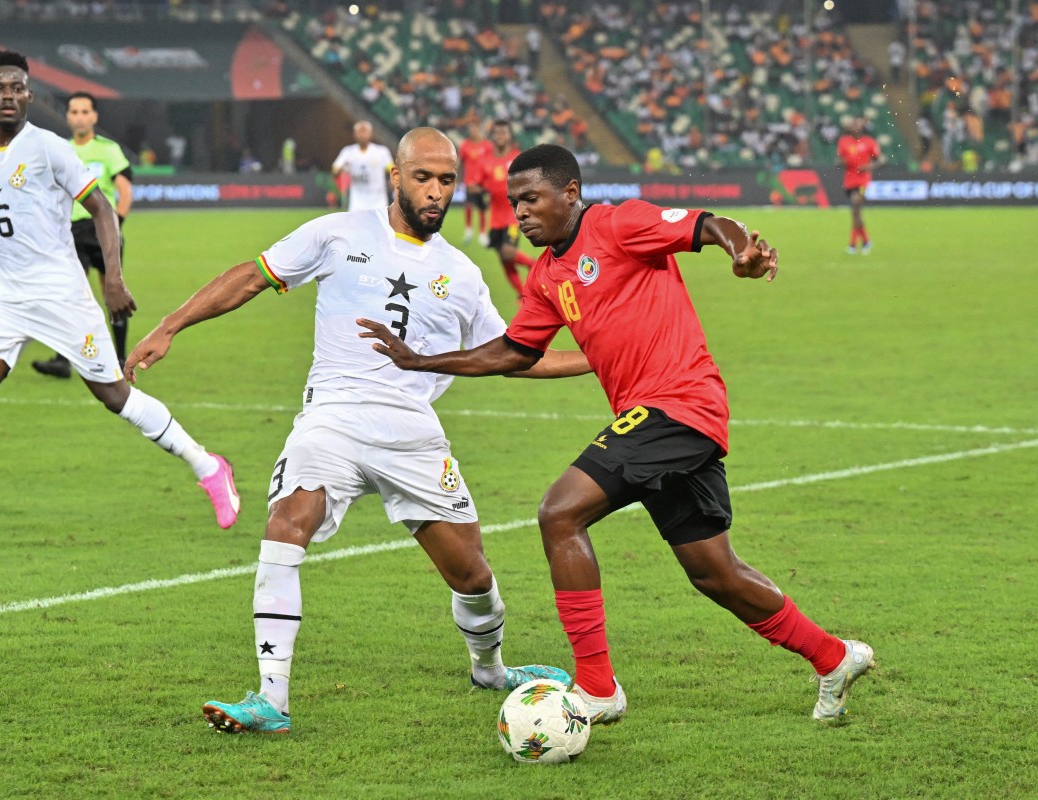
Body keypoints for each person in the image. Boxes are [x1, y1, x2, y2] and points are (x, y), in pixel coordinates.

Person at [359, 143, 875, 724]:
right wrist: (422, 361)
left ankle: (599, 688)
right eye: (514, 203)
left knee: (559, 513)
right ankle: (834, 657)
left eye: (531, 199)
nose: (520, 213)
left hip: (678, 403)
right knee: (715, 573)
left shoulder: (618, 223)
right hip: (660, 421)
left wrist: (741, 252)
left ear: (570, 193)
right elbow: (514, 351)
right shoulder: (548, 276)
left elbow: (707, 225)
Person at [124, 128, 590, 734]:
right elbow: (250, 276)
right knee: (286, 526)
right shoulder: (336, 233)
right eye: (423, 178)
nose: (435, 192)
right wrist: (170, 324)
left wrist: (598, 357)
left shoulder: (462, 273)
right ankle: (271, 699)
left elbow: (514, 353)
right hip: (332, 419)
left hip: (413, 434)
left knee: (472, 575)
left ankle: (490, 669)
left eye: (446, 181)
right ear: (395, 178)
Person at [0, 50, 240, 557]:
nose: (8, 96)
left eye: (17, 87)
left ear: (29, 96)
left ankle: (208, 466)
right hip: (6, 297)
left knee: (114, 396)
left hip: (63, 294)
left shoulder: (50, 148)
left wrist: (113, 279)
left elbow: (101, 207)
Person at [33, 91, 135, 379]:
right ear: (67, 117)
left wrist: (117, 226)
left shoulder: (109, 150)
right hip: (70, 232)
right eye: (74, 112)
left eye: (84, 111)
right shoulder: (59, 150)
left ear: (94, 117)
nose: (79, 117)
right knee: (69, 296)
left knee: (113, 292)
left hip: (102, 230)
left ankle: (120, 357)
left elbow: (125, 190)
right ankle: (63, 360)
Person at [480, 119, 536, 298]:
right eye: (497, 132)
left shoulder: (517, 158)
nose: (501, 136)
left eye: (504, 132)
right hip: (495, 217)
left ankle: (533, 264)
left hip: (513, 214)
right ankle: (522, 294)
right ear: (492, 136)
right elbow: (481, 185)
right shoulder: (486, 161)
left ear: (510, 136)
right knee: (504, 258)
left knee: (508, 252)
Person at [836, 117, 883, 255]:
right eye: (853, 124)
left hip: (862, 181)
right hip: (849, 181)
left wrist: (869, 166)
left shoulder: (869, 142)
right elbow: (838, 160)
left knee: (856, 206)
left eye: (858, 124)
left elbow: (879, 160)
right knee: (856, 212)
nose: (856, 127)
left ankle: (852, 244)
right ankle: (866, 241)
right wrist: (843, 162)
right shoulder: (844, 141)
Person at [331, 119, 394, 212]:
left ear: (371, 134)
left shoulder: (381, 152)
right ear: (354, 134)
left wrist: (392, 181)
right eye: (359, 132)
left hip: (378, 199)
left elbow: (392, 169)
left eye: (364, 132)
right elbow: (335, 169)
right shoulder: (348, 152)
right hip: (357, 200)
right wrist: (341, 169)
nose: (362, 135)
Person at [457, 119, 492, 246]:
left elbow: (491, 162)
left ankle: (482, 234)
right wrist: (459, 181)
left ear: (479, 129)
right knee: (468, 206)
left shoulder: (487, 146)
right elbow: (460, 164)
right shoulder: (465, 145)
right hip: (469, 182)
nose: (473, 131)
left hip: (482, 183)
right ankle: (468, 231)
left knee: (482, 208)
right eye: (470, 128)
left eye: (475, 128)